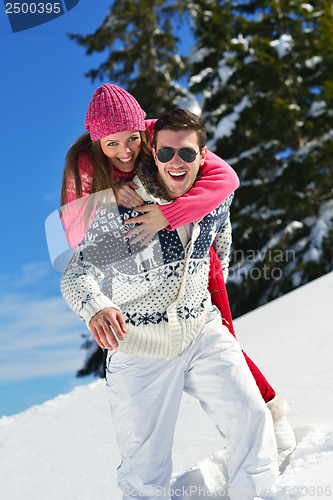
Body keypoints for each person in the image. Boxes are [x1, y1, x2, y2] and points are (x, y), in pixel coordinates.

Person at [60, 84, 296, 465]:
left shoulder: (166, 135)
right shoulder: (85, 166)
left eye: (132, 140)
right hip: (143, 281)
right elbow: (70, 235)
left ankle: (268, 422)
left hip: (198, 258)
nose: (124, 152)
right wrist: (108, 194)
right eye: (111, 145)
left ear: (144, 133)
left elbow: (225, 180)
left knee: (226, 349)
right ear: (96, 142)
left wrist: (169, 216)